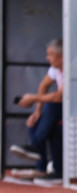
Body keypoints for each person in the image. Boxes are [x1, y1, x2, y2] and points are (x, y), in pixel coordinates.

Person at [10, 38, 63, 183]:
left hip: (76, 109)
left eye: (50, 54)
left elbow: (60, 96)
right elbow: (43, 86)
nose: (47, 58)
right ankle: (42, 168)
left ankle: (35, 147)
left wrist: (33, 98)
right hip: (60, 109)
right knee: (36, 120)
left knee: (51, 106)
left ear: (61, 56)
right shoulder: (54, 69)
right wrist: (37, 110)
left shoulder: (70, 68)